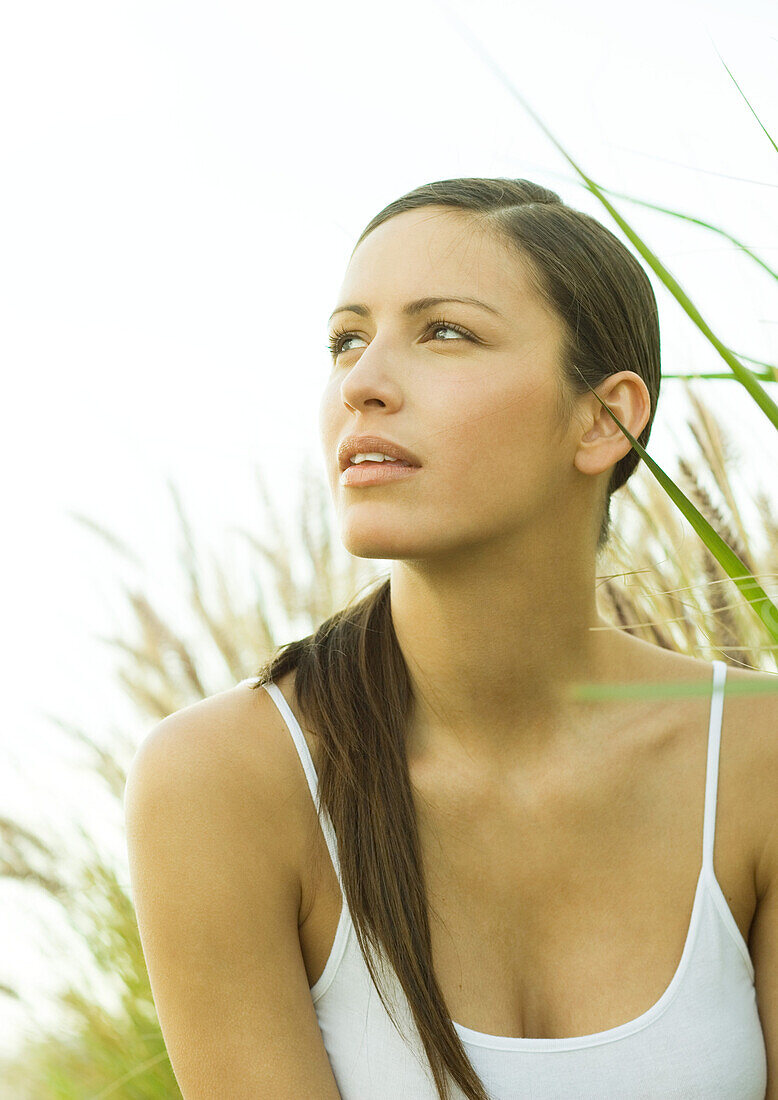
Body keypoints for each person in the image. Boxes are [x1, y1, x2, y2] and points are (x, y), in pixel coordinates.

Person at [124, 178, 774, 1099]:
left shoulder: (757, 757)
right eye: (348, 340)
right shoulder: (227, 778)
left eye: (445, 333)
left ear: (605, 418)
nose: (362, 384)